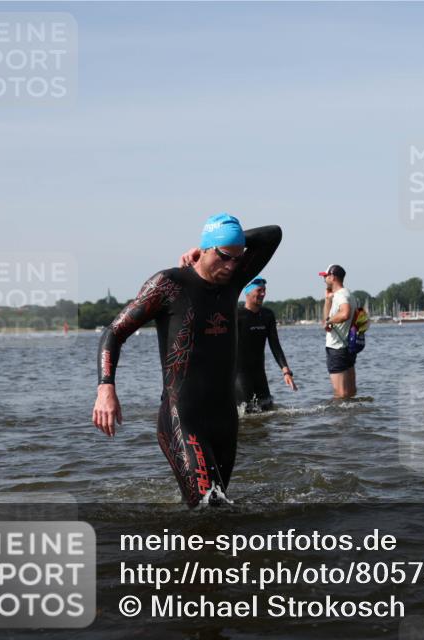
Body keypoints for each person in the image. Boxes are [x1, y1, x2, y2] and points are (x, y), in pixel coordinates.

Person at [92, 214, 282, 507]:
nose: (231, 266)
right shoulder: (168, 285)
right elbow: (114, 332)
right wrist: (106, 387)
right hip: (183, 416)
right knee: (209, 505)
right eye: (224, 257)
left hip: (225, 418)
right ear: (206, 249)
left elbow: (273, 234)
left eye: (237, 258)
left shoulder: (234, 280)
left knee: (218, 505)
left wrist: (225, 244)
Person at [236, 276, 296, 413]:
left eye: (264, 290)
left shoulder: (267, 315)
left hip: (259, 373)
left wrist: (286, 371)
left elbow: (275, 345)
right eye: (259, 290)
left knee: (268, 409)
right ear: (248, 292)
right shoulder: (237, 315)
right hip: (240, 374)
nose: (263, 294)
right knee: (246, 413)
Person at [321, 264, 356, 399]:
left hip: (337, 349)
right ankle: (351, 418)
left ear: (333, 277)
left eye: (326, 276)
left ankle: (340, 420)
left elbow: (345, 313)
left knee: (340, 394)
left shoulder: (341, 295)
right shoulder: (348, 294)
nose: (324, 279)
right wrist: (328, 300)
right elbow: (326, 320)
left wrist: (330, 322)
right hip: (348, 348)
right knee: (350, 392)